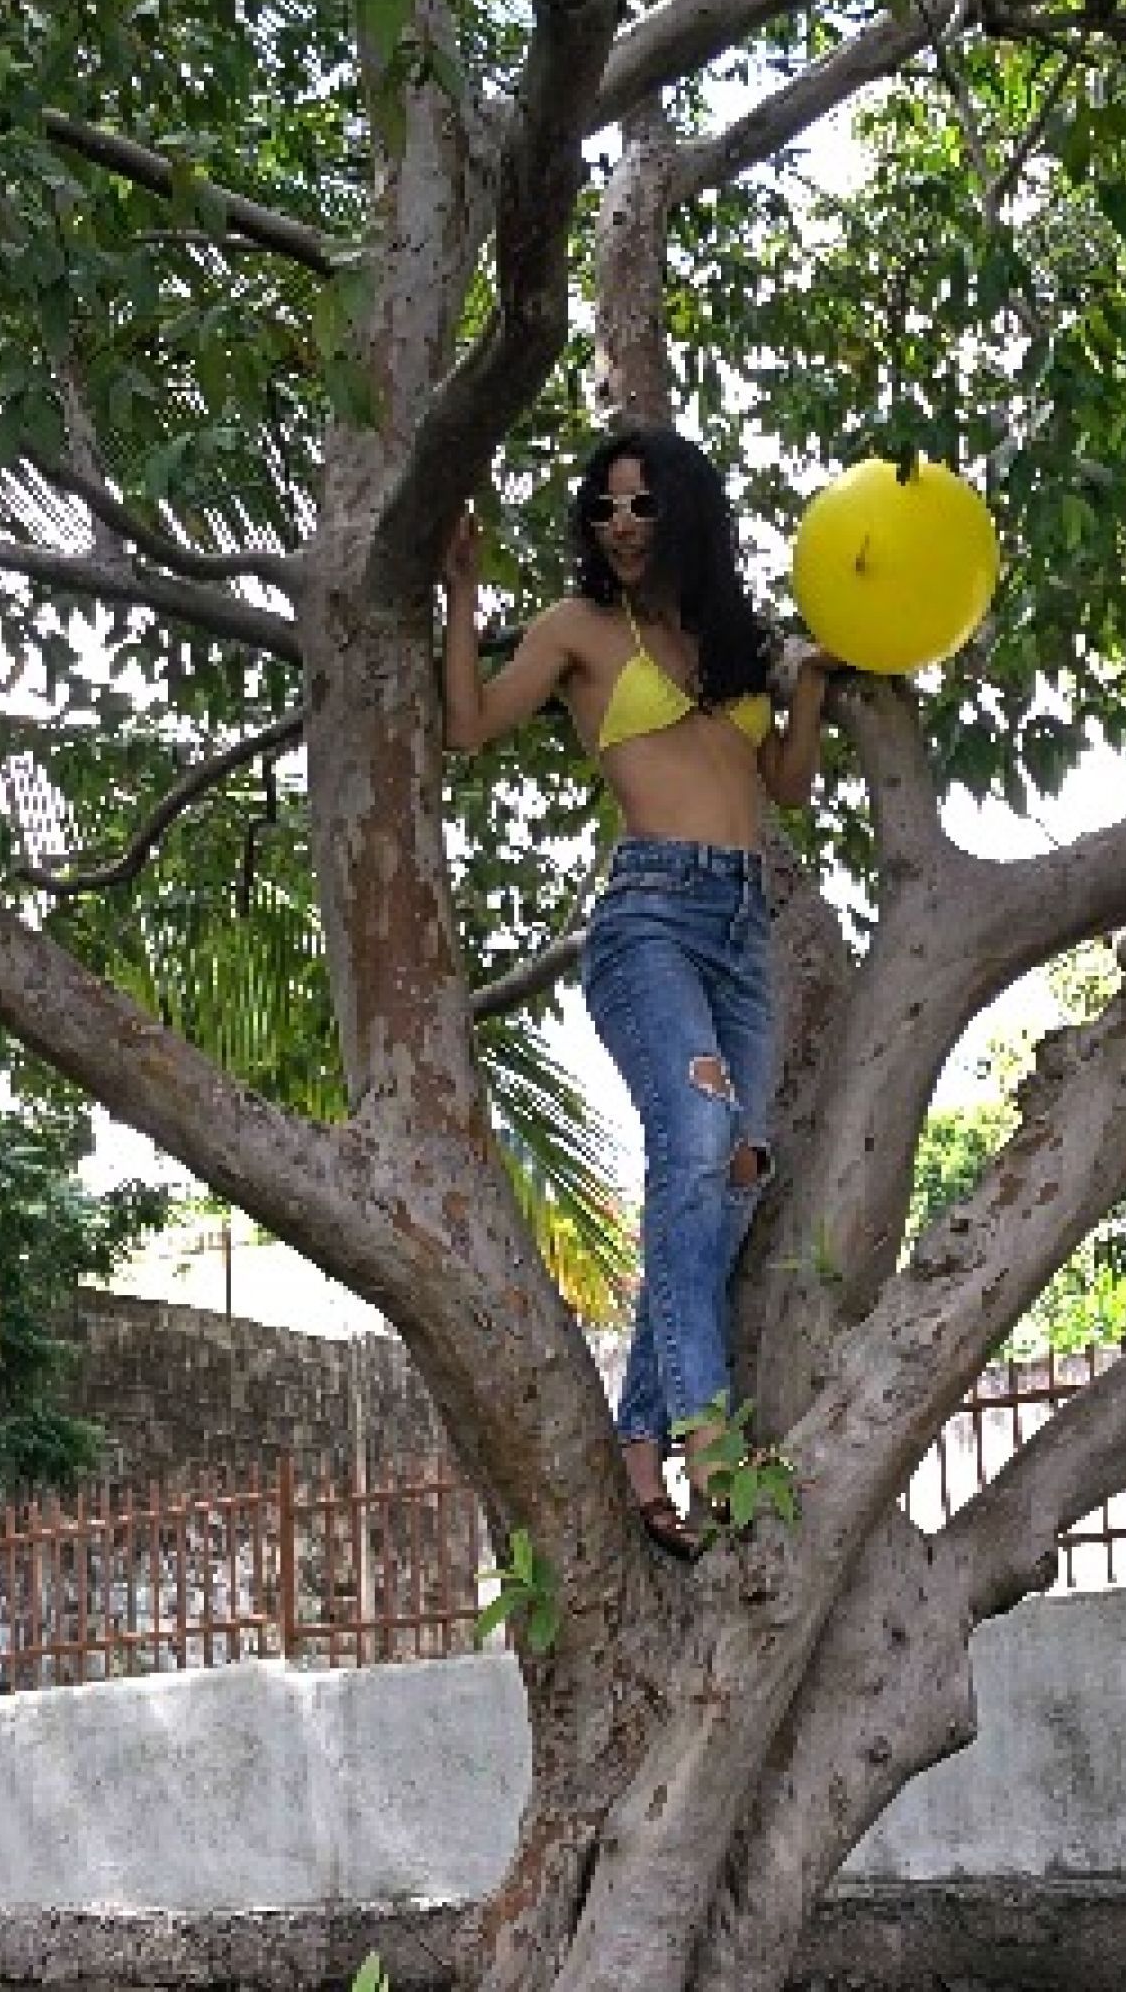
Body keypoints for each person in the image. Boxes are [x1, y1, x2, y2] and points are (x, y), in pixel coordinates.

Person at [441, 426, 834, 1560]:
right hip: (650, 917)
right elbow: (469, 727)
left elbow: (788, 786)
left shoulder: (729, 642)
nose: (620, 525)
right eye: (605, 507)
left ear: (685, 516)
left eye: (642, 505)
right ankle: (708, 1444)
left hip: (743, 927)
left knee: (741, 1176)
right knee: (700, 1134)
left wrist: (803, 679)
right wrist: (464, 594)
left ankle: (635, 1436)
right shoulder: (579, 632)